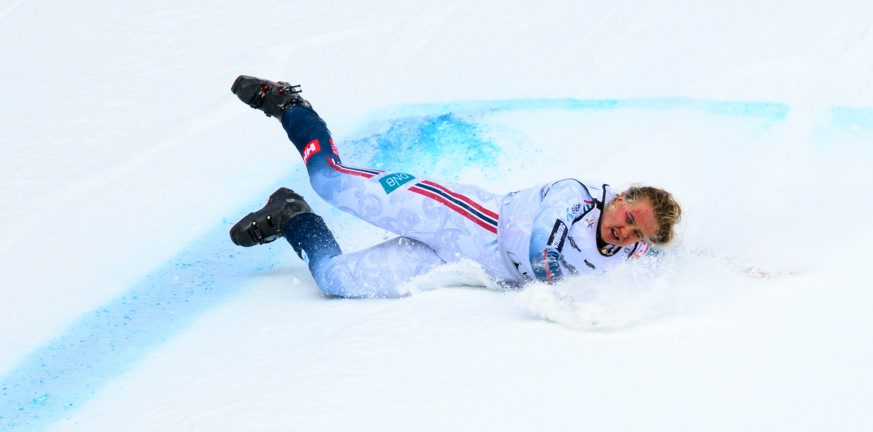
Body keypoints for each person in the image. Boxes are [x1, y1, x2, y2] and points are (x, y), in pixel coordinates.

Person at [229, 76, 682, 298]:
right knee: (330, 178)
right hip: (456, 216)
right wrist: (568, 307)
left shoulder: (632, 248)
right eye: (628, 218)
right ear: (621, 199)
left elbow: (674, 255)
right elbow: (544, 240)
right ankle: (288, 104)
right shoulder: (577, 195)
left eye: (636, 233)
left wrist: (736, 270)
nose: (625, 232)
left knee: (334, 282)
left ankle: (291, 215)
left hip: (458, 266)